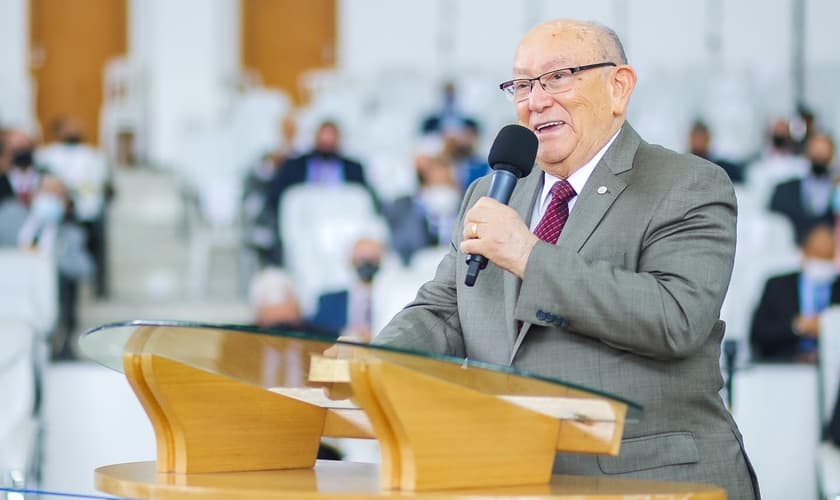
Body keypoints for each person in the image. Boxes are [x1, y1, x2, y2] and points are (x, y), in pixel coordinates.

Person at [374, 19, 757, 498]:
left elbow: (675, 318)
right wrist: (372, 363)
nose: (536, 100)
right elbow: (445, 310)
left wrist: (528, 255)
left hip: (652, 479)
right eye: (522, 84)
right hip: (516, 476)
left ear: (619, 87)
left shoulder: (687, 184)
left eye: (558, 77)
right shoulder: (490, 193)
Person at [18, 174, 95, 360]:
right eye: (46, 192)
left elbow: (85, 267)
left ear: (66, 203)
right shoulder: (16, 222)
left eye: (56, 195)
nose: (49, 199)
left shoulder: (72, 233)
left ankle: (60, 345)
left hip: (55, 293)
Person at [750, 225, 839, 363]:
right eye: (817, 256)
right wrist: (798, 327)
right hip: (786, 369)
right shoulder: (777, 286)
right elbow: (758, 334)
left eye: (827, 258)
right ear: (803, 253)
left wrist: (829, 328)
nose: (822, 265)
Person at [310, 237, 385, 341]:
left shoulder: (391, 302)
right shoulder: (329, 302)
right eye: (361, 259)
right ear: (351, 260)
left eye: (373, 259)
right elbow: (315, 337)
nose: (366, 264)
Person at [769, 133, 836, 245]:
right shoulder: (784, 190)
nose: (820, 156)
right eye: (816, 151)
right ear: (807, 153)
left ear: (831, 157)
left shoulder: (836, 192)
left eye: (824, 153)